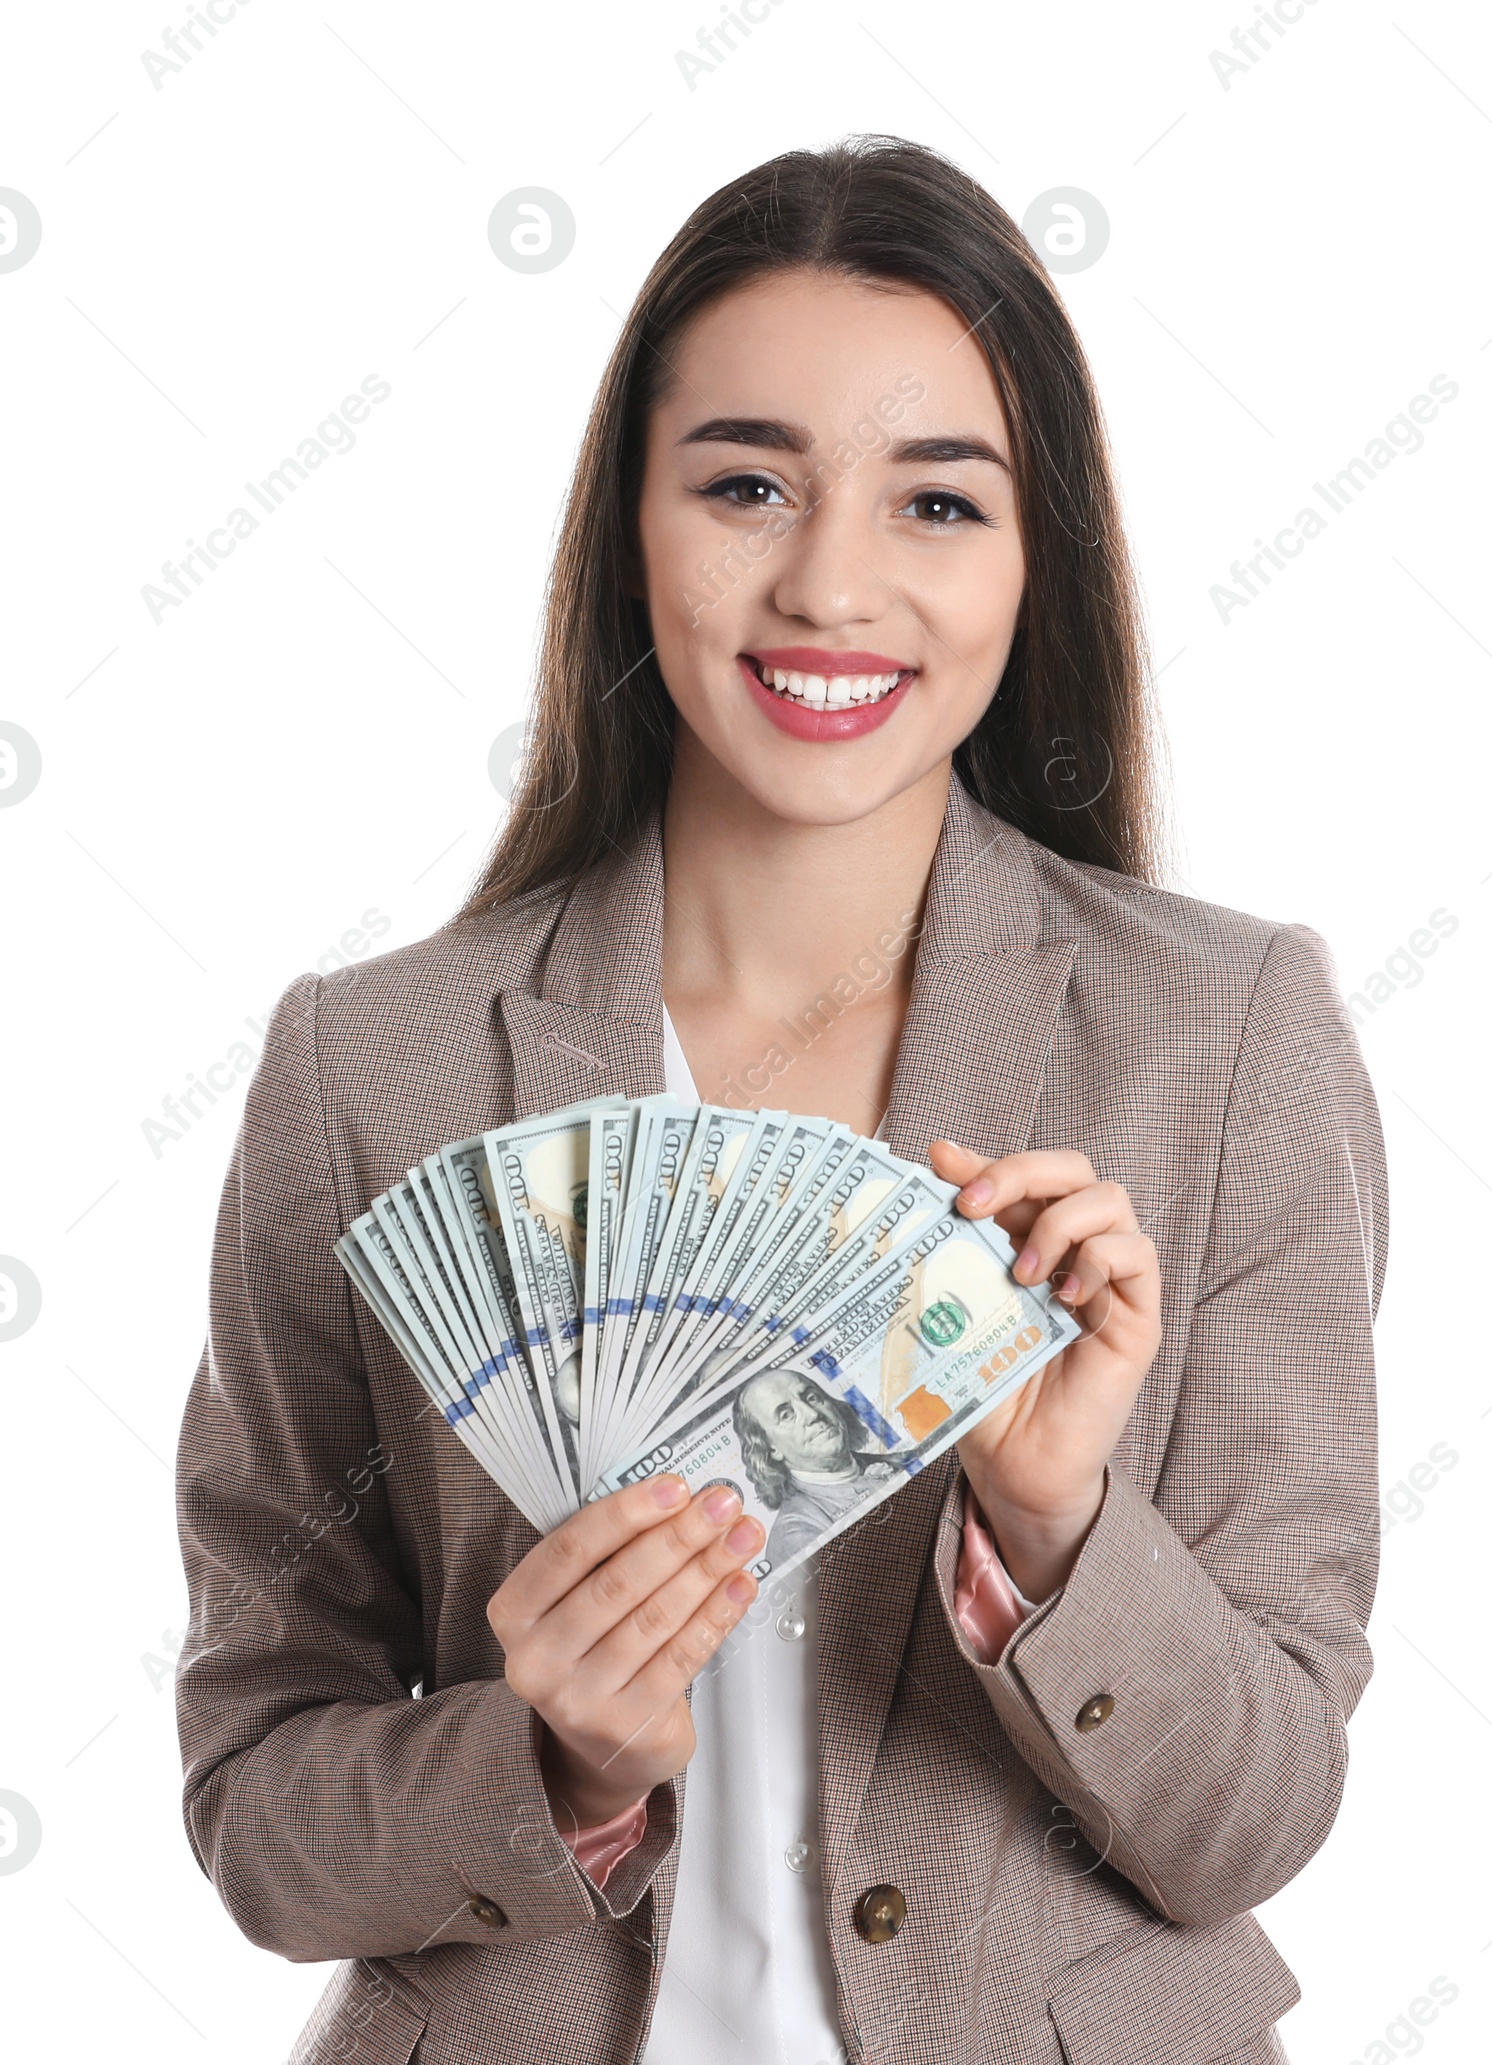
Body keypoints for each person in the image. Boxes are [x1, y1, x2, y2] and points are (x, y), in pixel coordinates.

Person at [175, 135, 1383, 2065]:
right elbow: (257, 1808)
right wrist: (551, 1759)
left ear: (1031, 554)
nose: (832, 585)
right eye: (746, 484)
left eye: (937, 501)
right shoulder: (369, 1070)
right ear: (627, 527)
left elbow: (1259, 1815)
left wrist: (1059, 1529)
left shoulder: (1227, 1036)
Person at [731, 1367, 909, 1566]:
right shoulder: (794, 1533)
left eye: (812, 1398)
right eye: (786, 1415)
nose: (812, 1414)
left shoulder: (903, 1461)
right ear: (771, 1449)